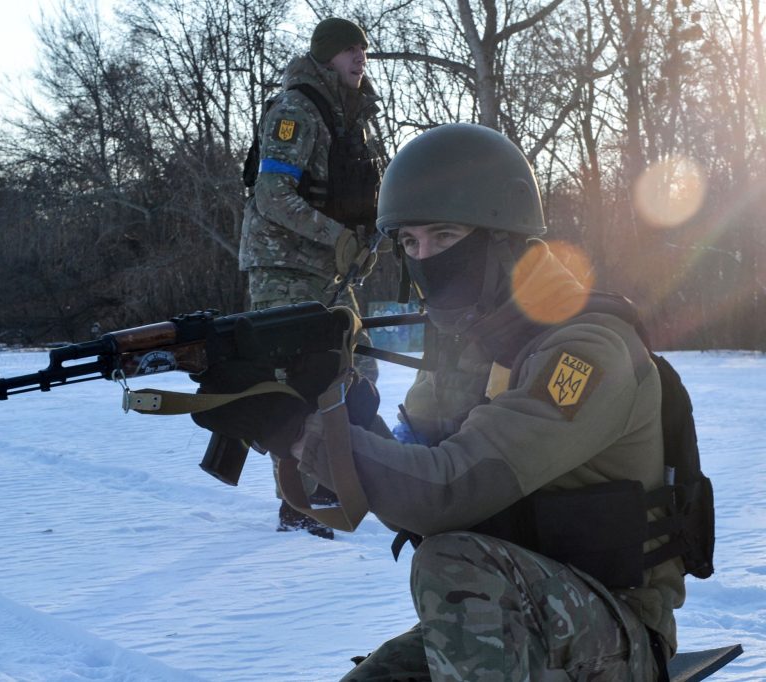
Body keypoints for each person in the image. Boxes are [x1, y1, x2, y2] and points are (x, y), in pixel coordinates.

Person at [196, 124, 684, 679]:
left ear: (506, 242)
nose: (425, 258)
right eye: (410, 242)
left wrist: (299, 432)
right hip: (517, 615)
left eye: (446, 237)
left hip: (617, 628)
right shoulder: (467, 352)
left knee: (451, 559)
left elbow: (447, 491)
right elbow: (406, 467)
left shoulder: (588, 352)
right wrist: (338, 409)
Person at [240, 17, 387, 537]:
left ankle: (332, 485)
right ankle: (298, 505)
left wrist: (365, 240)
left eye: (363, 51)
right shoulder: (297, 109)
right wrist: (337, 238)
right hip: (285, 269)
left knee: (359, 374)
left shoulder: (353, 118)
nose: (360, 58)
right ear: (326, 57)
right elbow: (271, 196)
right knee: (297, 388)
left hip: (332, 272)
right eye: (349, 50)